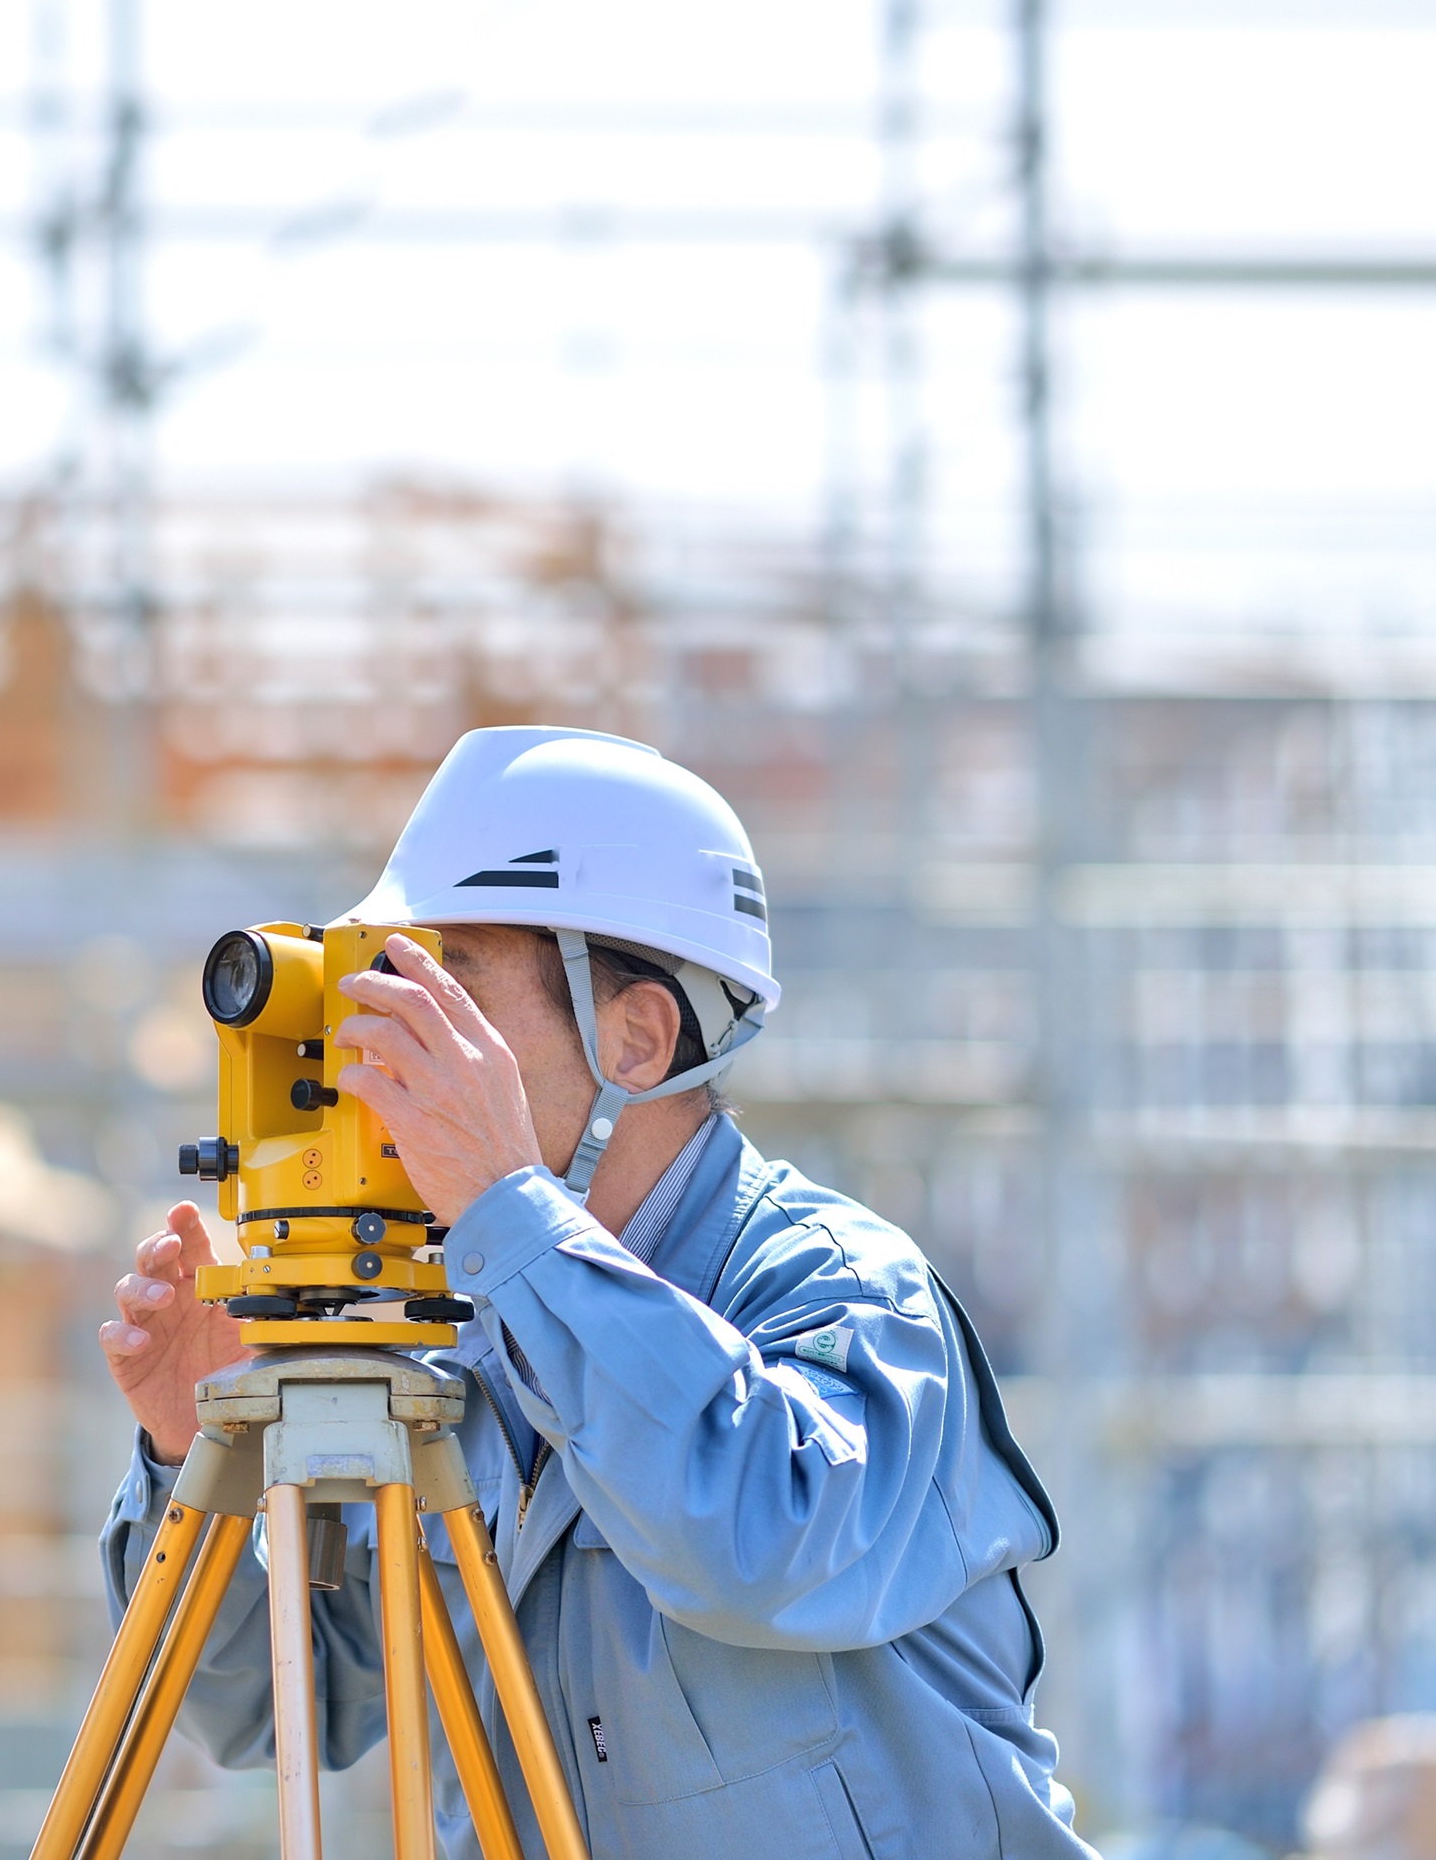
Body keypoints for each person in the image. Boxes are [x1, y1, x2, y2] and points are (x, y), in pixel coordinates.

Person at [97, 726, 1089, 1858]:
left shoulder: (846, 1296)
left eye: (447, 983)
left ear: (638, 1035)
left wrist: (510, 1216)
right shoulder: (459, 1349)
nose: (381, 1034)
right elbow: (279, 1704)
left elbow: (756, 1546)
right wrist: (186, 1459)